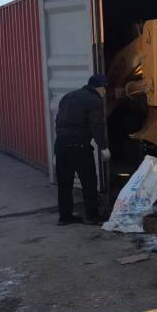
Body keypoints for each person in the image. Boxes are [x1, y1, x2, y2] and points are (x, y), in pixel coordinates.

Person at [54, 74, 111, 226]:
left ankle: (64, 217)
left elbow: (58, 120)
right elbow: (96, 126)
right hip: (79, 147)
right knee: (89, 182)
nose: (105, 92)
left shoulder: (68, 96)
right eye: (104, 88)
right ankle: (91, 216)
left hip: (61, 145)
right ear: (99, 88)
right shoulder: (94, 101)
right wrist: (104, 147)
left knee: (65, 183)